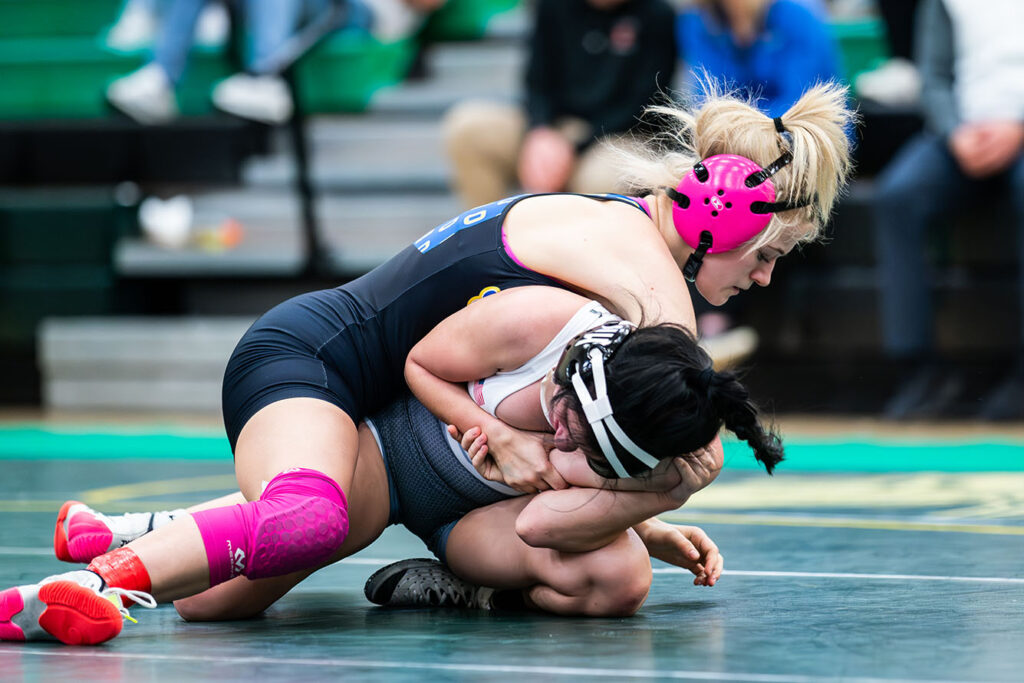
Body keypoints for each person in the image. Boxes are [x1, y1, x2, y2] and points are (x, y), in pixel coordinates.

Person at [1, 82, 850, 640]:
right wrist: (675, 482)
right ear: (724, 225)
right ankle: (87, 585)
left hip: (414, 429)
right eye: (769, 254)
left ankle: (163, 533)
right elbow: (686, 446)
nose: (766, 277)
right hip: (317, 362)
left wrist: (647, 522)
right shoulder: (648, 281)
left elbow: (599, 439)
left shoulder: (627, 239)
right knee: (296, 529)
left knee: (217, 600)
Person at [4, 285, 783, 642]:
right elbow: (419, 363)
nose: (563, 449)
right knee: (213, 608)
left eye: (589, 456)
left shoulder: (650, 455)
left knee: (620, 579)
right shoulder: (540, 320)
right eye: (567, 424)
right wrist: (489, 426)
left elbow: (549, 516)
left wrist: (658, 507)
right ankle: (147, 533)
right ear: (583, 368)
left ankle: (458, 588)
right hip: (389, 453)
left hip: (475, 521)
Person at [871, 0, 1024, 420]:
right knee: (897, 196)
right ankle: (920, 371)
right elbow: (933, 77)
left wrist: (1018, 127)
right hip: (961, 136)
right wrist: (956, 132)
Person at [442, 0, 678, 209]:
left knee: (602, 180)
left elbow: (643, 104)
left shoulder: (658, 15)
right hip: (553, 127)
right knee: (469, 127)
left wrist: (572, 146)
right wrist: (539, 132)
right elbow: (537, 82)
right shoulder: (552, 6)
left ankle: (572, 254)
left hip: (619, 136)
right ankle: (488, 246)